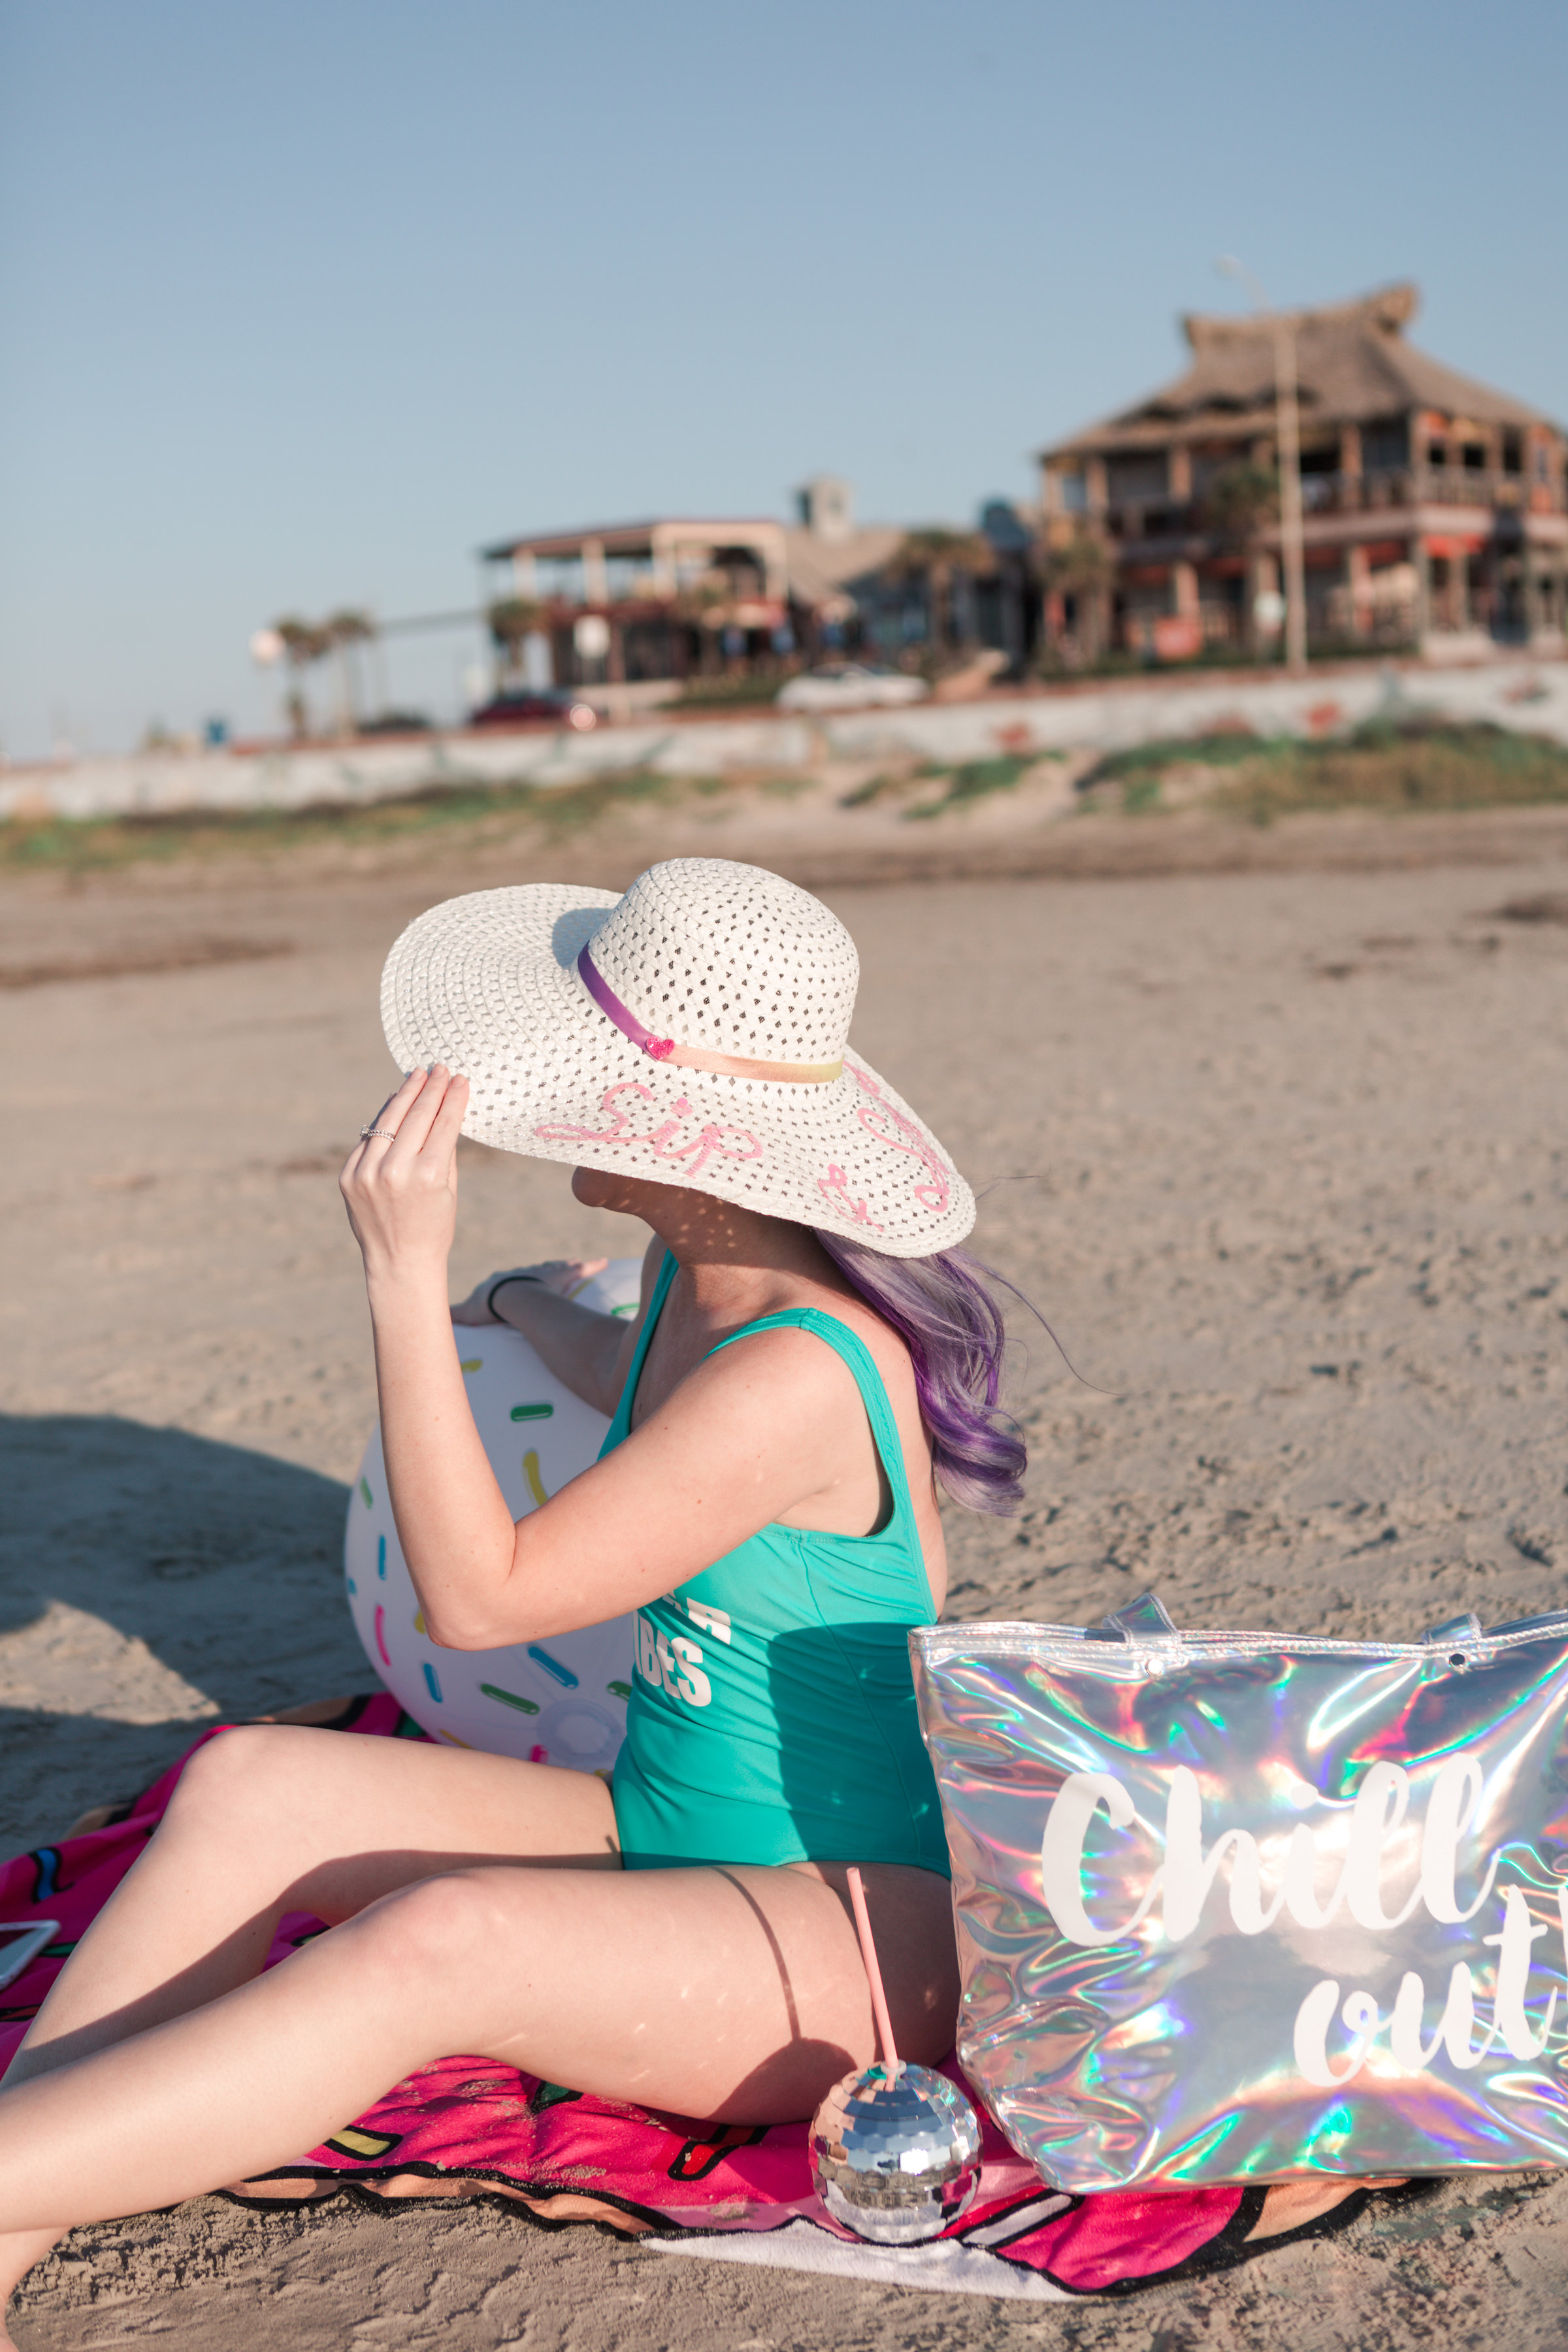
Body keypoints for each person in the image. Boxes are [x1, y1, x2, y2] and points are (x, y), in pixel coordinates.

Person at [0, 858, 1025, 2330]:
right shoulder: (698, 1282)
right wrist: (529, 1304)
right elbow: (646, 1413)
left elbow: (481, 1602)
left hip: (846, 1938)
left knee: (438, 1943)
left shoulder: (800, 1368)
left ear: (688, 1135)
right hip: (668, 1828)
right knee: (251, 1786)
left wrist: (409, 1281)